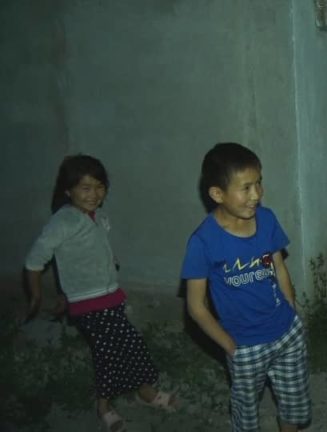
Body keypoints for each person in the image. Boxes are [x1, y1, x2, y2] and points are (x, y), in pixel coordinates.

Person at [24, 155, 176, 432]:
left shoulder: (98, 216)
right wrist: (36, 295)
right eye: (85, 188)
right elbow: (35, 261)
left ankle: (144, 391)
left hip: (110, 296)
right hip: (88, 304)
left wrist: (108, 260)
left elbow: (90, 249)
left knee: (131, 344)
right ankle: (104, 406)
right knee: (109, 354)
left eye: (99, 187)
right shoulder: (63, 221)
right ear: (68, 190)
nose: (93, 194)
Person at [181, 142, 310, 432]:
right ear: (218, 194)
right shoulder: (203, 242)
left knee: (293, 403)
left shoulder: (267, 219)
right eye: (246, 188)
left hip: (286, 332)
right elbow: (196, 306)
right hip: (245, 345)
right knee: (247, 413)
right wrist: (229, 345)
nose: (257, 194)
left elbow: (279, 266)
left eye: (259, 183)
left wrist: (291, 306)